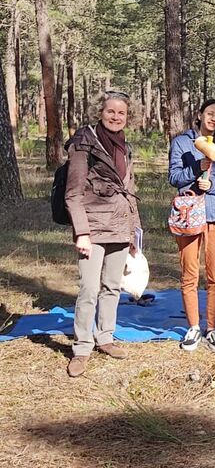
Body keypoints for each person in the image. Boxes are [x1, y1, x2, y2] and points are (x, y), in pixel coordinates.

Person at [64, 91, 141, 377]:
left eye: (121, 113)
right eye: (111, 111)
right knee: (88, 289)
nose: (116, 116)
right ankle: (82, 347)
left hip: (120, 226)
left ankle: (105, 337)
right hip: (93, 228)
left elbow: (129, 189)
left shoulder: (125, 146)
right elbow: (73, 193)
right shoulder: (84, 144)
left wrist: (133, 229)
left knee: (112, 287)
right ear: (100, 112)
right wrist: (81, 233)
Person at [168, 99, 215, 352]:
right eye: (210, 114)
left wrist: (214, 187)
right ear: (200, 115)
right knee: (189, 273)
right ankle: (194, 327)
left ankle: (212, 328)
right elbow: (174, 177)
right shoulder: (182, 143)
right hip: (188, 213)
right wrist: (197, 168)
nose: (214, 119)